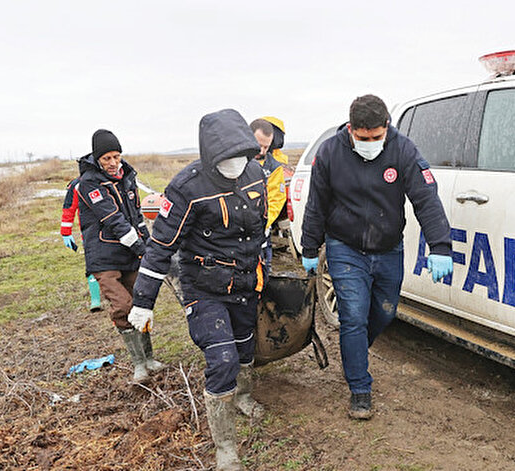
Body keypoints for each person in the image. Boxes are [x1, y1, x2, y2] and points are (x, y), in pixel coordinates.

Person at [128, 109, 267, 471]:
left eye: (242, 156)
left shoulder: (255, 174)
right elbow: (160, 246)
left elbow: (258, 228)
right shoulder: (186, 188)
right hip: (203, 286)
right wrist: (143, 300)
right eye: (228, 158)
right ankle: (226, 449)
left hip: (245, 281)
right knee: (222, 360)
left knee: (245, 347)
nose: (236, 164)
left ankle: (244, 396)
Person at [300, 95, 453, 420]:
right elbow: (316, 205)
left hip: (388, 249)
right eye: (362, 138)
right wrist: (310, 248)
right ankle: (359, 388)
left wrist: (440, 246)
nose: (370, 143)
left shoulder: (403, 150)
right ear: (351, 129)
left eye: (376, 137)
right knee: (353, 317)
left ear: (386, 127)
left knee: (384, 313)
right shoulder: (330, 153)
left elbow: (426, 199)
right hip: (345, 247)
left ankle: (353, 350)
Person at [76, 129, 164, 384]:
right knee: (123, 307)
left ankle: (149, 359)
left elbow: (136, 216)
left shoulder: (127, 177)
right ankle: (138, 365)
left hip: (129, 254)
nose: (113, 163)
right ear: (97, 159)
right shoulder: (89, 185)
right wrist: (142, 249)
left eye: (116, 156)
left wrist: (149, 245)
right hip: (104, 257)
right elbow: (113, 219)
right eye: (106, 159)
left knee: (140, 303)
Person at [249, 118, 287, 274]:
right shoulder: (234, 163)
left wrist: (261, 222)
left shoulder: (274, 168)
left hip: (260, 234)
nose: (262, 151)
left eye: (266, 147)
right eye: (259, 146)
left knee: (263, 274)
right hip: (233, 237)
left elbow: (276, 200)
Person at [60, 174, 102, 312]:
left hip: (116, 231)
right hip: (90, 234)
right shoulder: (78, 184)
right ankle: (95, 300)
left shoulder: (112, 178)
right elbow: (69, 208)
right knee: (92, 265)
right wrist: (66, 232)